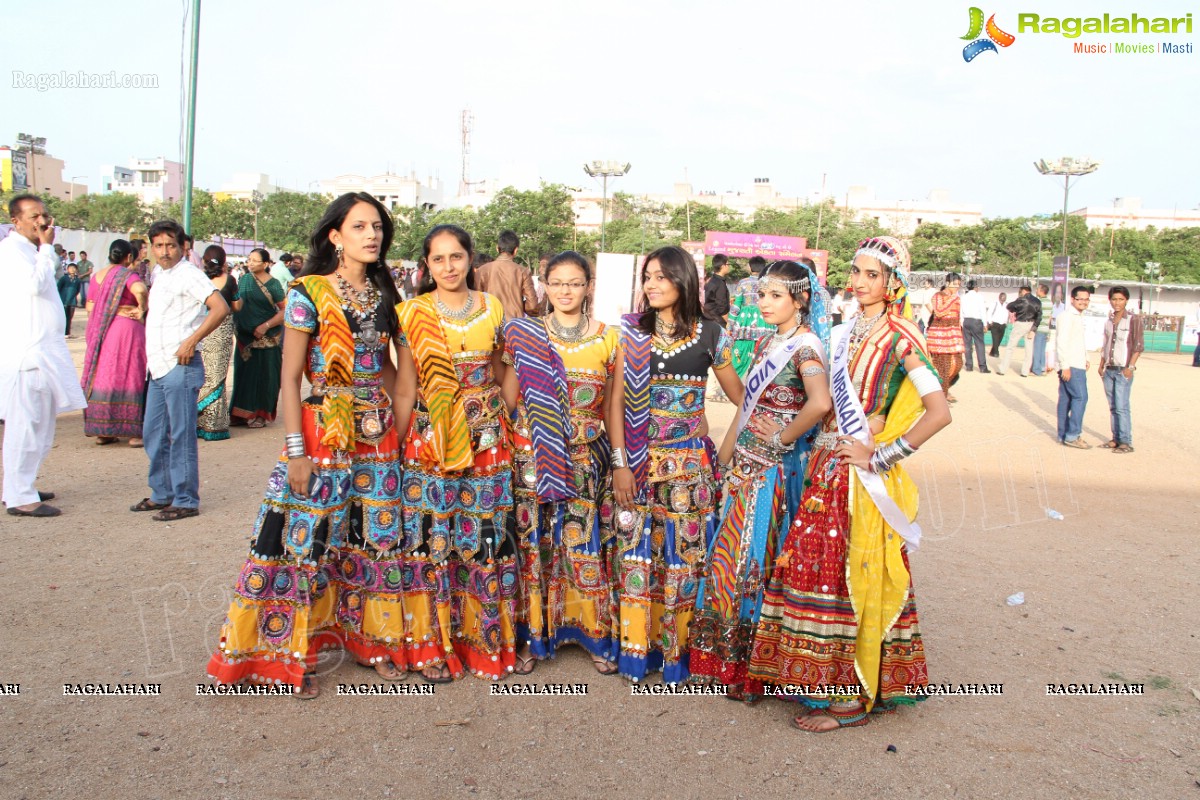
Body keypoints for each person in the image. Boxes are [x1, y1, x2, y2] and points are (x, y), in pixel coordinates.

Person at [749, 236, 952, 732]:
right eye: (856, 272)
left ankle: (850, 697)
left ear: (894, 282)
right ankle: (818, 679)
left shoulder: (902, 335)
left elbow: (939, 411)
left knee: (849, 576)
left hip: (858, 477)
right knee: (815, 569)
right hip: (825, 465)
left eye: (871, 275)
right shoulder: (844, 331)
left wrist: (881, 454)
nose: (858, 282)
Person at [207, 192, 404, 698]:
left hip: (376, 436)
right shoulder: (307, 293)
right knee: (304, 540)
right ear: (335, 236)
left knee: (372, 538)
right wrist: (296, 451)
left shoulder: (386, 295)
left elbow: (387, 369)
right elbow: (290, 379)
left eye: (377, 226)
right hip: (322, 433)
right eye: (359, 226)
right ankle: (287, 654)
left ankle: (373, 641)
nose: (372, 235)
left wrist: (398, 427)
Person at [690, 259, 832, 699]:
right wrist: (726, 460)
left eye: (775, 295)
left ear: (800, 299)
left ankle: (753, 668)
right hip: (746, 466)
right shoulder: (773, 340)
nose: (765, 302)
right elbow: (746, 406)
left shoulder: (806, 348)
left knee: (755, 558)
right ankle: (724, 657)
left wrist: (784, 437)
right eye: (762, 294)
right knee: (731, 556)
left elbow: (820, 403)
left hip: (774, 471)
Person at [606, 245, 745, 684]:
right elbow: (614, 405)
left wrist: (720, 458)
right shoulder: (628, 332)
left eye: (662, 276)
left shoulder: (711, 335)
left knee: (684, 560)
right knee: (633, 555)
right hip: (638, 466)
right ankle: (633, 650)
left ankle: (678, 653)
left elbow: (743, 400)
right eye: (647, 276)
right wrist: (620, 464)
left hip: (690, 469)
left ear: (684, 280)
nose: (652, 284)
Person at [392, 223, 518, 683]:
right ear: (427, 265)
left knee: (484, 539)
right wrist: (401, 447)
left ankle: (483, 644)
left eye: (456, 257)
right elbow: (405, 388)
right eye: (438, 259)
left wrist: (496, 414)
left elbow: (507, 367)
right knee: (434, 540)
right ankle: (434, 646)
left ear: (471, 259)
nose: (448, 266)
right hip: (431, 444)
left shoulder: (493, 307)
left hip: (486, 443)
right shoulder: (411, 312)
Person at [500, 250, 621, 676]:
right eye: (557, 283)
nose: (565, 291)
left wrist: (620, 461)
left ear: (589, 286)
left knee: (582, 542)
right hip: (532, 456)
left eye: (575, 283)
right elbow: (510, 401)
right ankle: (533, 636)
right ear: (543, 286)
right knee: (535, 545)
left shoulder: (609, 337)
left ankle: (590, 633)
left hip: (586, 458)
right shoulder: (526, 335)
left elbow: (613, 409)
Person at [130, 219, 229, 522]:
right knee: (153, 433)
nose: (165, 251)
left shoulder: (189, 274)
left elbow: (220, 308)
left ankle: (186, 498)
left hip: (180, 363)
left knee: (182, 434)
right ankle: (163, 493)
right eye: (159, 245)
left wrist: (192, 340)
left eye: (170, 245)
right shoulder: (160, 274)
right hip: (158, 364)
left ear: (183, 246)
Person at [0, 195, 88, 517]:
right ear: (16, 221)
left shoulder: (31, 251)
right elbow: (36, 286)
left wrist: (44, 250)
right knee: (25, 426)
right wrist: (47, 248)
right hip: (27, 355)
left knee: (40, 427)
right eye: (35, 216)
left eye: (44, 214)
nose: (42, 221)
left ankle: (22, 485)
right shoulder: (11, 252)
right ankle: (19, 496)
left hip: (44, 351)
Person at [81, 239, 149, 447]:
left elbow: (90, 307)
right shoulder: (128, 275)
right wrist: (141, 308)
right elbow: (140, 290)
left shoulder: (97, 276)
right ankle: (133, 433)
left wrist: (112, 310)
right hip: (126, 330)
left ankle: (104, 431)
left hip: (103, 330)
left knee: (105, 376)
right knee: (131, 375)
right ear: (129, 257)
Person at [230, 248, 286, 428]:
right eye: (249, 259)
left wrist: (265, 326)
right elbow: (238, 303)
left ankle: (262, 414)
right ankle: (240, 414)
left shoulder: (273, 284)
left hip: (268, 337)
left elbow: (286, 310)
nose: (250, 263)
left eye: (255, 260)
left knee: (266, 377)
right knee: (245, 375)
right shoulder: (245, 280)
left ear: (265, 264)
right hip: (245, 336)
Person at [196, 246, 241, 441]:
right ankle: (214, 424)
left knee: (204, 374)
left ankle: (197, 419)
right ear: (223, 262)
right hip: (222, 330)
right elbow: (237, 305)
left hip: (201, 329)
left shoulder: (199, 280)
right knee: (218, 376)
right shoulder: (229, 281)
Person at [1097, 286, 1143, 453]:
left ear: (1126, 301)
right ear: (1110, 300)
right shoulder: (1109, 321)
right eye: (1114, 299)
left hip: (1123, 369)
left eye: (1120, 299)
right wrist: (1101, 364)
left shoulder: (1133, 319)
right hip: (1109, 368)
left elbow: (1138, 345)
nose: (1117, 303)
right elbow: (1106, 344)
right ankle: (1116, 438)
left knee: (1122, 406)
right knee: (1113, 406)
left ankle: (1125, 441)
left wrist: (1130, 367)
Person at [1056, 285, 1092, 448]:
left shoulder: (1077, 317)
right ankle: (1072, 435)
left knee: (1066, 399)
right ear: (1072, 299)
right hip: (1071, 365)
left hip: (1075, 362)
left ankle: (1063, 434)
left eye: (1086, 299)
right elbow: (1061, 341)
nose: (1083, 302)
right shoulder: (1067, 316)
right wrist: (1065, 366)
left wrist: (1086, 356)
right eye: (1080, 299)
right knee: (1080, 397)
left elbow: (1078, 341)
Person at [474, 229, 538, 321]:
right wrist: (519, 305)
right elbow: (532, 305)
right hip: (515, 325)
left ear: (497, 248)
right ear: (516, 250)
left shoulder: (482, 271)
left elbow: (476, 302)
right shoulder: (523, 271)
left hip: (490, 323)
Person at [729, 256, 772, 379]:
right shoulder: (768, 283)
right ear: (764, 268)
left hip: (745, 324)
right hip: (764, 321)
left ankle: (732, 384)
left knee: (740, 352)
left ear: (750, 267)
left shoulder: (743, 282)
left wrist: (730, 324)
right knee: (763, 352)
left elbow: (736, 305)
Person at [925, 272, 964, 402]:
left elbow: (958, 317)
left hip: (953, 335)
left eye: (958, 285)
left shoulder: (957, 299)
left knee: (957, 364)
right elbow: (939, 312)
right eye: (954, 284)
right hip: (939, 336)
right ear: (947, 283)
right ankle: (940, 396)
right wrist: (952, 299)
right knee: (942, 366)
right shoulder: (938, 296)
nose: (956, 287)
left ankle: (944, 390)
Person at [998, 286, 1041, 377]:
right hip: (1031, 324)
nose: (1019, 293)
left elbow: (1009, 306)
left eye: (1020, 292)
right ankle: (1025, 372)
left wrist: (1017, 304)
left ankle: (1003, 369)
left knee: (1011, 347)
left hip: (1020, 323)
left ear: (1024, 291)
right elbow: (1039, 316)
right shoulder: (1037, 301)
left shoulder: (1021, 300)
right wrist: (1034, 329)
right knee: (1029, 349)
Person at [960, 280, 988, 372]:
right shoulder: (979, 296)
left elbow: (961, 312)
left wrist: (962, 323)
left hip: (966, 321)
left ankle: (969, 366)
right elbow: (983, 311)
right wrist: (985, 323)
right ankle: (982, 367)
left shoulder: (963, 297)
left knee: (967, 344)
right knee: (979, 344)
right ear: (975, 287)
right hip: (976, 321)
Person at [703, 254, 732, 324]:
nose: (729, 267)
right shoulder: (720, 284)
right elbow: (721, 308)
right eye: (728, 264)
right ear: (723, 266)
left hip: (708, 318)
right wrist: (729, 323)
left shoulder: (712, 280)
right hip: (717, 320)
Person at [1031, 284, 1053, 376]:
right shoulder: (1050, 302)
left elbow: (1035, 316)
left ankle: (1036, 369)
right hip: (1046, 329)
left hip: (1039, 328)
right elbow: (1050, 318)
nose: (1036, 291)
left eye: (1037, 289)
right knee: (1042, 350)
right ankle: (1042, 367)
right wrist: (1049, 332)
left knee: (1037, 349)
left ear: (1041, 291)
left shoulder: (1039, 302)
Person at [57, 265, 82, 337]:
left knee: (70, 317)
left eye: (74, 268)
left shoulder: (77, 280)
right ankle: (62, 332)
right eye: (71, 268)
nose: (73, 270)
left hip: (72, 302)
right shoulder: (64, 278)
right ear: (67, 269)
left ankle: (67, 332)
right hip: (64, 300)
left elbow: (77, 290)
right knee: (63, 317)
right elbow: (58, 288)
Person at [987, 292, 1009, 358]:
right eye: (1002, 298)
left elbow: (1007, 314)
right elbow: (989, 313)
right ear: (999, 297)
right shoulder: (994, 304)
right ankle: (996, 352)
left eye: (1005, 298)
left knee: (999, 339)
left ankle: (992, 352)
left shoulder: (1006, 305)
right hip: (995, 324)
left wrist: (1006, 323)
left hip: (1003, 324)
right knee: (995, 339)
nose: (1003, 299)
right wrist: (990, 321)